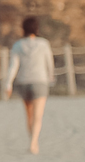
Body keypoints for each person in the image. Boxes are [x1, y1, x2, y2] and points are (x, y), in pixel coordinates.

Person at [5, 15, 56, 153]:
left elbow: (13, 66)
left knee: (29, 115)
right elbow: (49, 63)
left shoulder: (18, 45)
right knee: (38, 115)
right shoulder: (43, 44)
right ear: (37, 28)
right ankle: (34, 143)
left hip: (23, 82)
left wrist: (8, 83)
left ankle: (32, 141)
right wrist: (51, 78)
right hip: (40, 81)